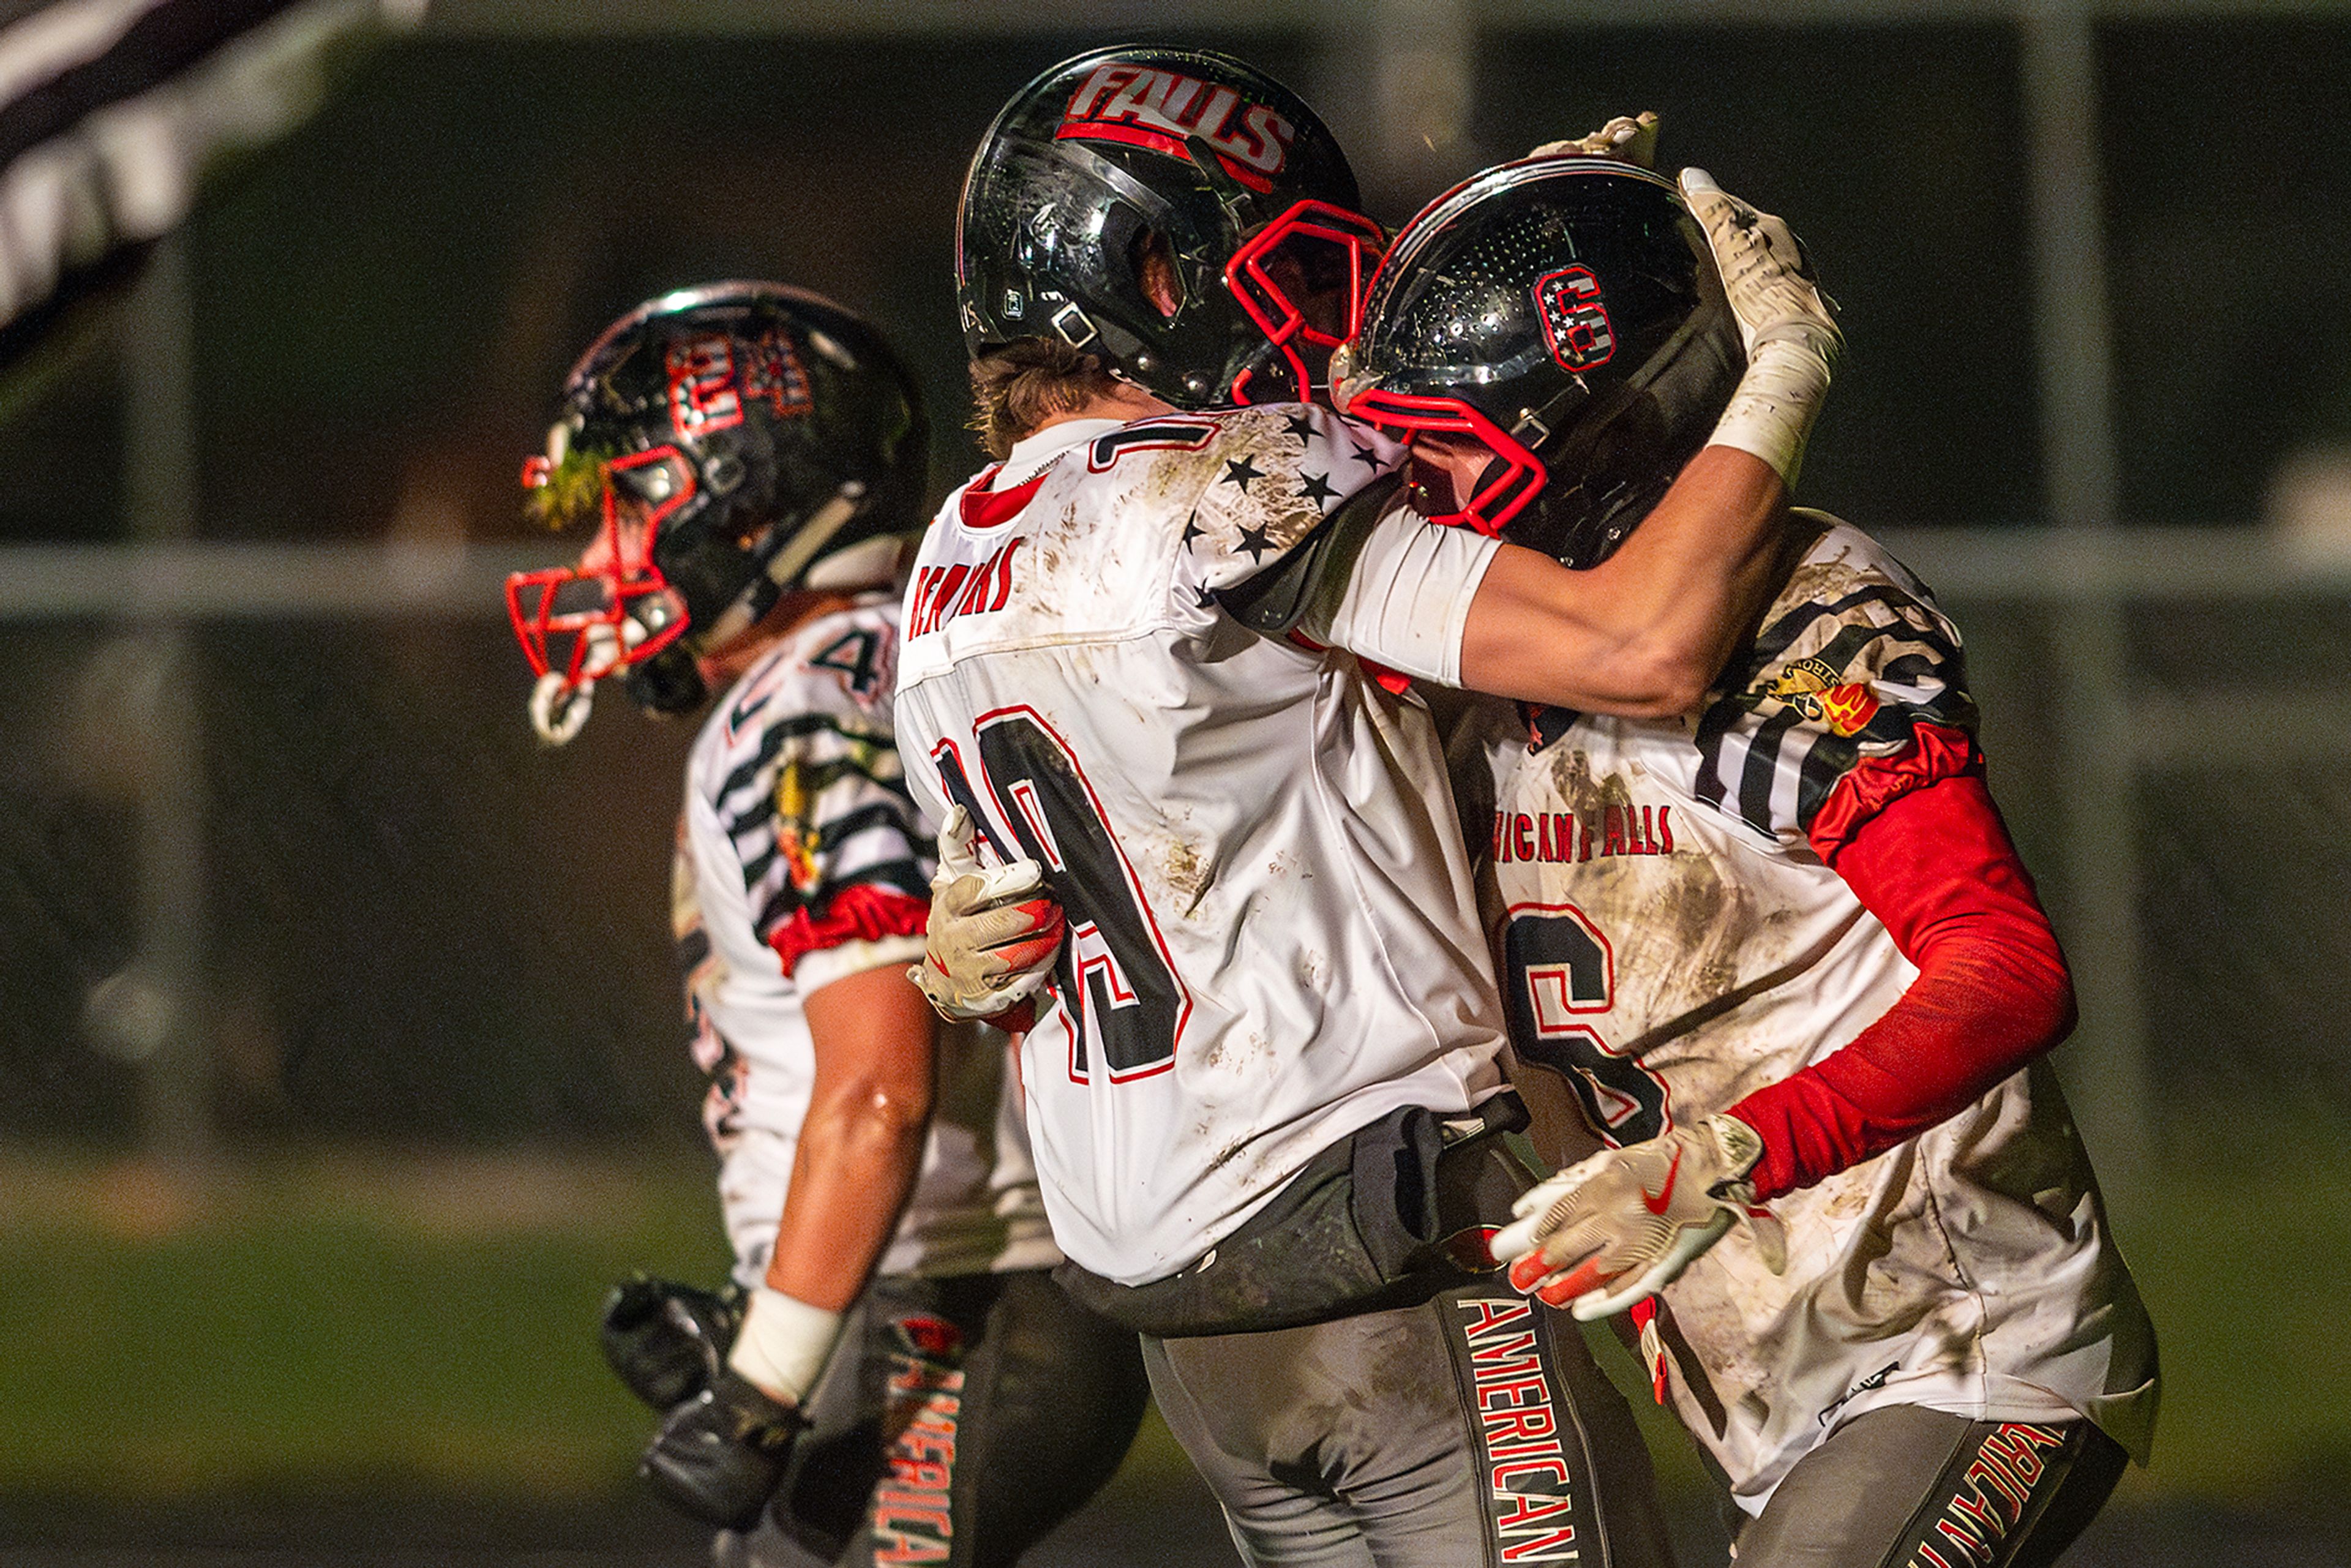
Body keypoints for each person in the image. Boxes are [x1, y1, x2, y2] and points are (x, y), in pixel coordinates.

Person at [898, 46, 1837, 1568]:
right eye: (1286, 275)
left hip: (1190, 1325)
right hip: (1381, 1255)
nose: (1323, 328)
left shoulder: (951, 557)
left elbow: (1053, 878)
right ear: (1152, 268)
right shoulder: (1221, 494)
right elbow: (1642, 647)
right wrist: (1780, 364)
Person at [1333, 157, 2159, 1566]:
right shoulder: (1476, 669)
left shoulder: (1800, 617)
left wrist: (1728, 1156)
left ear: (1590, 436)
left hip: (1957, 1344)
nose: (1408, 480)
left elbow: (2005, 968)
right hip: (1763, 1386)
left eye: (1444, 441)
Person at [504, 282, 1148, 1568]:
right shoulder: (895, 660)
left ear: (743, 501)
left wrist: (766, 1381)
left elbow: (879, 1080)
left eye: (630, 504)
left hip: (951, 1287)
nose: (599, 560)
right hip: (989, 1274)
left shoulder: (797, 712)